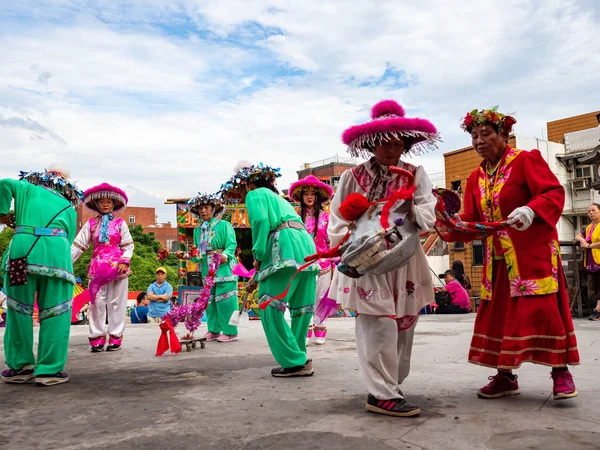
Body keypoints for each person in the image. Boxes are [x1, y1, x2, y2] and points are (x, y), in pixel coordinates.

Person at [456, 107, 579, 400]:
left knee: (544, 312)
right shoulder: (475, 178)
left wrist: (530, 209)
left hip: (530, 255)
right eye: (474, 136)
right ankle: (505, 376)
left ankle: (560, 372)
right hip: (496, 262)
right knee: (499, 318)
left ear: (505, 135)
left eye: (486, 134)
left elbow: (551, 193)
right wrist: (448, 223)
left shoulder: (526, 160)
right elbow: (472, 220)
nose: (479, 141)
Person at [328, 100, 438, 417]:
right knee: (377, 324)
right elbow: (337, 216)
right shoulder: (352, 177)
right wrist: (351, 240)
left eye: (398, 142)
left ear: (405, 143)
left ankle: (391, 384)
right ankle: (380, 393)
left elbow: (428, 212)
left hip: (404, 255)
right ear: (373, 143)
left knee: (404, 322)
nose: (391, 148)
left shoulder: (416, 173)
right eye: (385, 142)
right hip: (368, 258)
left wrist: (411, 209)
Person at [228, 163, 319, 376]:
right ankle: (298, 357)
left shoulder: (255, 194)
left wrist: (258, 255)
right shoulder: (279, 199)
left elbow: (260, 221)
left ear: (248, 183)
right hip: (305, 244)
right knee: (301, 307)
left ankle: (294, 360)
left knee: (268, 304)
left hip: (284, 244)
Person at [0, 168, 81, 386]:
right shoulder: (69, 207)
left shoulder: (26, 188)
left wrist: (3, 214)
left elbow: (4, 183)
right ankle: (49, 371)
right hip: (57, 260)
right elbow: (70, 238)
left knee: (18, 310)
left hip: (21, 257)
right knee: (56, 313)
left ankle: (20, 368)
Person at [72, 183, 134, 352]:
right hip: (97, 268)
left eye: (109, 201)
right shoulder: (91, 224)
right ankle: (97, 338)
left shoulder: (121, 223)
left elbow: (128, 246)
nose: (105, 204)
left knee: (117, 304)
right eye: (102, 201)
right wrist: (65, 262)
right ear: (96, 204)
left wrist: (124, 261)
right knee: (96, 303)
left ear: (114, 204)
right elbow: (78, 246)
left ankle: (115, 337)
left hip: (118, 269)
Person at [178, 193, 239, 342]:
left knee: (225, 301)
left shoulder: (224, 225)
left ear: (213, 208)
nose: (203, 211)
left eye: (206, 207)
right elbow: (198, 253)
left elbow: (231, 244)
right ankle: (214, 330)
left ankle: (231, 332)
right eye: (200, 208)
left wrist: (226, 255)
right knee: (209, 301)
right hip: (207, 269)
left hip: (223, 267)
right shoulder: (198, 230)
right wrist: (186, 256)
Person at [288, 175, 335, 345]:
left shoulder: (326, 217)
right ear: (301, 197)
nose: (309, 197)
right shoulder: (294, 217)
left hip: (323, 263)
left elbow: (331, 240)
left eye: (312, 194)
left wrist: (335, 260)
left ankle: (320, 329)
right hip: (303, 263)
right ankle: (305, 330)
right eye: (305, 193)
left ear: (317, 197)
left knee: (321, 296)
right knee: (304, 297)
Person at [575, 203, 600, 320]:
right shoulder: (590, 227)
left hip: (599, 258)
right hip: (591, 260)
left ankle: (598, 310)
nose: (590, 213)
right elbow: (578, 236)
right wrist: (583, 240)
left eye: (593, 210)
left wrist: (589, 245)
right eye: (589, 211)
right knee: (593, 285)